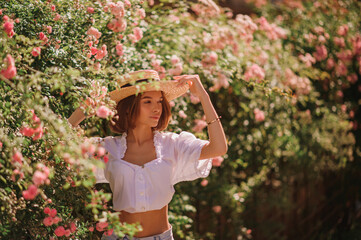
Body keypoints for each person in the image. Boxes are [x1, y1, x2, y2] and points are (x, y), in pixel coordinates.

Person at [68, 70, 227, 240]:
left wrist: (203, 96)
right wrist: (81, 112)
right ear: (129, 108)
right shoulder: (108, 148)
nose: (157, 108)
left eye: (159, 101)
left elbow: (218, 148)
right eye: (147, 101)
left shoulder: (172, 144)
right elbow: (60, 148)